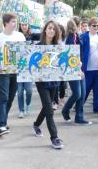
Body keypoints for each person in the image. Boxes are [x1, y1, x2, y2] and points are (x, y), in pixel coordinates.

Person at [0, 13, 26, 136]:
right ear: (5, 23)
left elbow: (24, 53)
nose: (15, 24)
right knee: (3, 97)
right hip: (2, 71)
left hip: (16, 71)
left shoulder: (20, 36)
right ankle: (0, 126)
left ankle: (3, 121)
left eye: (16, 22)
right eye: (13, 22)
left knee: (10, 97)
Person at [33, 20, 63, 149]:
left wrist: (77, 67)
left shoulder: (59, 47)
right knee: (49, 110)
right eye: (49, 28)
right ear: (45, 30)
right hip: (41, 81)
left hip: (54, 81)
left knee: (47, 106)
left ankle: (36, 124)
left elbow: (66, 63)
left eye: (54, 29)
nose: (51, 30)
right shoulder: (37, 46)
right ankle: (54, 137)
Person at [61, 19, 92, 125]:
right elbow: (72, 55)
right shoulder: (72, 37)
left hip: (78, 67)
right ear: (77, 25)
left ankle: (79, 116)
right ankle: (66, 110)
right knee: (78, 93)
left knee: (82, 94)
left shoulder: (75, 36)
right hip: (73, 68)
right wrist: (78, 69)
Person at [80, 17, 98, 114]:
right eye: (94, 25)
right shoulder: (83, 37)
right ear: (90, 26)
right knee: (85, 89)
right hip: (87, 69)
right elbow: (79, 53)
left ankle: (97, 108)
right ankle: (79, 106)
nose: (96, 27)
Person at [17, 23, 39, 118]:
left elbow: (43, 35)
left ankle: (28, 104)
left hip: (29, 67)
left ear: (28, 26)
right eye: (22, 25)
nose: (24, 26)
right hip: (19, 66)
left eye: (25, 25)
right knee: (20, 91)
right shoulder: (16, 35)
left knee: (29, 90)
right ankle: (21, 110)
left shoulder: (32, 35)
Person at [53, 24, 66, 110]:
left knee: (63, 84)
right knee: (55, 85)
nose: (59, 32)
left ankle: (61, 98)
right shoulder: (53, 41)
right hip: (54, 66)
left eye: (60, 31)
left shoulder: (65, 41)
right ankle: (55, 102)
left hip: (63, 65)